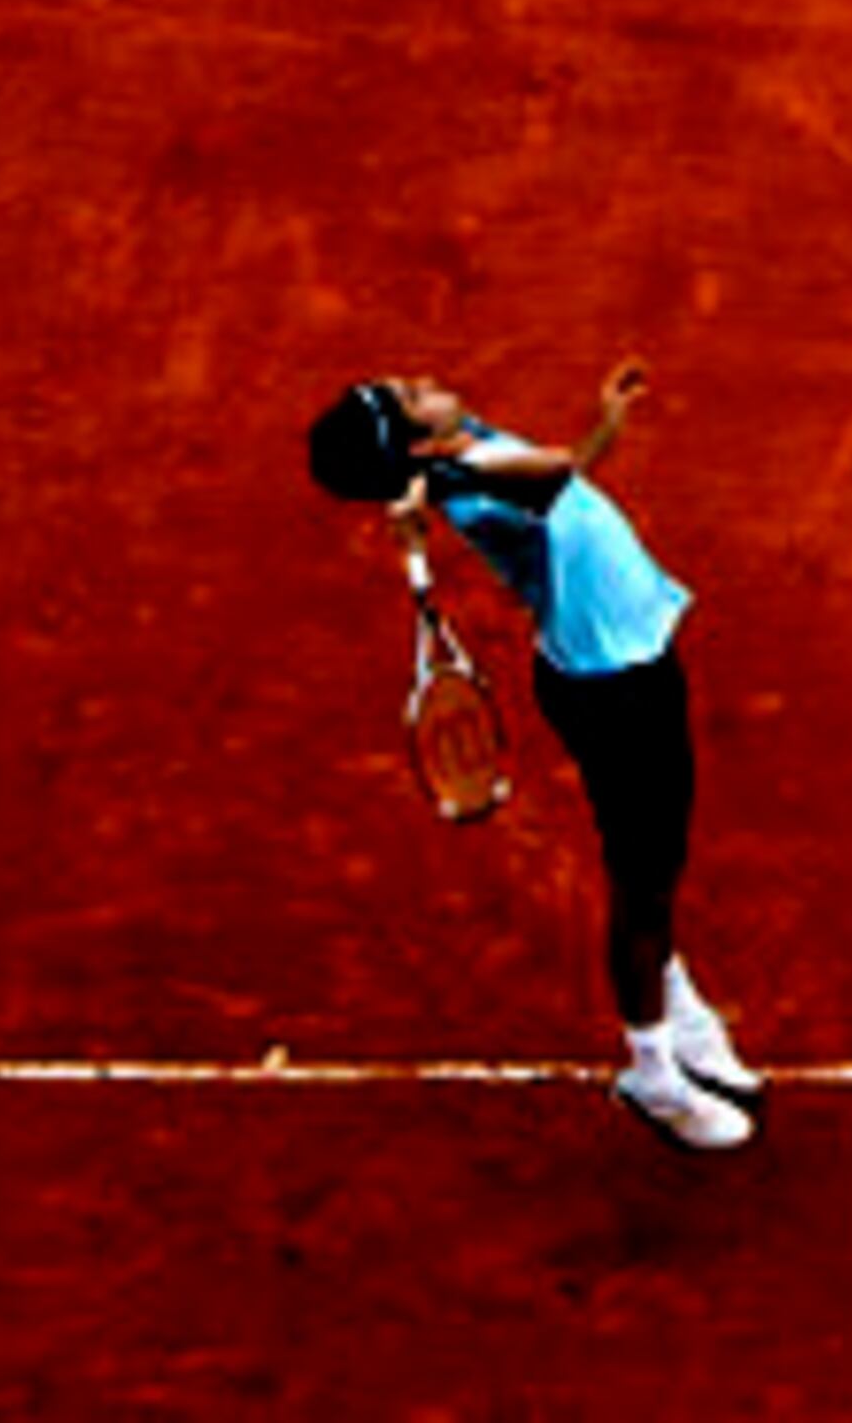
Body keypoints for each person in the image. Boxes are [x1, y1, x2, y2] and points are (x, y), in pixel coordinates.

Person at [306, 361, 762, 1152]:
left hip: (624, 661)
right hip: (616, 691)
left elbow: (560, 461)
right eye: (414, 395)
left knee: (655, 865)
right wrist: (446, 475)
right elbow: (555, 469)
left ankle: (678, 1004)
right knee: (642, 882)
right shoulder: (480, 477)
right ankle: (652, 1074)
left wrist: (602, 423)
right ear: (422, 442)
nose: (426, 377)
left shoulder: (464, 447)